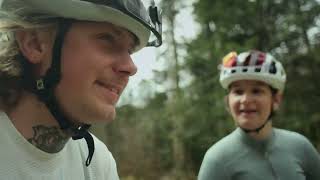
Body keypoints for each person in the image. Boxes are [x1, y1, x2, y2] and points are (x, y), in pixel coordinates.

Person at [0, 0, 162, 179]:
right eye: (107, 39)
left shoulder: (97, 164)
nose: (130, 67)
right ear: (35, 44)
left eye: (129, 51)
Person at [198, 50, 320, 180]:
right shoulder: (217, 159)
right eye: (238, 91)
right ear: (228, 102)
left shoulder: (300, 146)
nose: (245, 99)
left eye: (256, 91)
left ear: (276, 100)